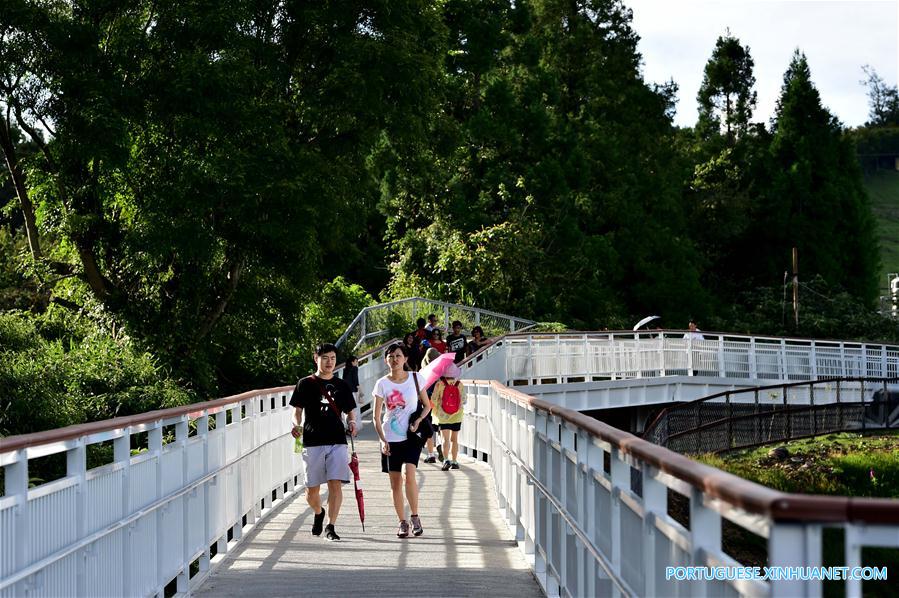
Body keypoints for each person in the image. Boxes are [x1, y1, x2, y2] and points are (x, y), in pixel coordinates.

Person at [290, 343, 358, 541]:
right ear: (316, 358)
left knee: (335, 483)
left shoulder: (342, 385)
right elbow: (297, 410)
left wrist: (352, 422)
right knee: (312, 491)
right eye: (325, 358)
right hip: (312, 441)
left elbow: (350, 410)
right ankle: (319, 512)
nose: (330, 362)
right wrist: (296, 425)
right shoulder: (304, 383)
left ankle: (331, 526)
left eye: (333, 358)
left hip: (337, 440)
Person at [373, 343, 432, 538]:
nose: (394, 359)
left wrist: (419, 420)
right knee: (395, 482)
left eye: (398, 356)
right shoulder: (382, 383)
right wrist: (382, 440)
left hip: (411, 435)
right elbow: (376, 417)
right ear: (386, 360)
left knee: (409, 474)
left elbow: (427, 405)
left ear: (405, 358)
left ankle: (415, 516)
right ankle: (402, 522)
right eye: (390, 356)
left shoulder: (416, 378)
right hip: (390, 437)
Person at [432, 371, 467, 470]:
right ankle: (455, 461)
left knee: (445, 439)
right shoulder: (459, 384)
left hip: (443, 416)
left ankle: (446, 460)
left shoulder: (439, 384)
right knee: (454, 439)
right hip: (457, 415)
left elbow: (434, 399)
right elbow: (464, 400)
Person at [420, 348, 444, 464]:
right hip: (439, 403)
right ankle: (440, 445)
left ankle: (430, 455)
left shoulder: (423, 372)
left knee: (428, 430)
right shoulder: (440, 372)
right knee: (439, 428)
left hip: (427, 403)